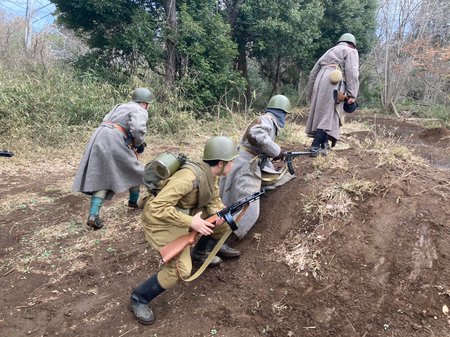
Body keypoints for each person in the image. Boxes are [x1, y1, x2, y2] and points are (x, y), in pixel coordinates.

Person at [130, 136, 241, 325]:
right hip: (159, 220)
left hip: (180, 214)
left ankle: (200, 253)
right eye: (232, 161)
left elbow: (213, 199)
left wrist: (219, 215)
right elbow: (157, 208)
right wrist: (191, 222)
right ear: (221, 163)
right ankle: (139, 298)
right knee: (180, 270)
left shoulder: (211, 174)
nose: (233, 164)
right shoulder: (188, 178)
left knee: (223, 225)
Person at [72, 87, 152, 230]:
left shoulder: (120, 106)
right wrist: (139, 143)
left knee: (104, 175)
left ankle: (93, 215)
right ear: (145, 103)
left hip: (99, 136)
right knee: (134, 168)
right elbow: (138, 129)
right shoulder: (140, 110)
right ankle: (134, 201)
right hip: (113, 138)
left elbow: (109, 121)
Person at [219, 95, 295, 240]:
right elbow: (254, 134)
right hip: (246, 165)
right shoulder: (267, 119)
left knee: (231, 202)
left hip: (244, 161)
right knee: (250, 208)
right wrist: (277, 151)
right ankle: (224, 240)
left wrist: (272, 169)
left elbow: (260, 150)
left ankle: (219, 237)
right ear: (282, 112)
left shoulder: (268, 120)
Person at [305, 33, 360, 156]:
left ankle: (324, 144)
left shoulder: (329, 51)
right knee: (329, 113)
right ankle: (315, 146)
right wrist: (352, 94)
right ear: (352, 44)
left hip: (320, 80)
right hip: (333, 80)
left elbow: (313, 72)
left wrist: (311, 92)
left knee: (322, 112)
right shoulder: (351, 51)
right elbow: (352, 72)